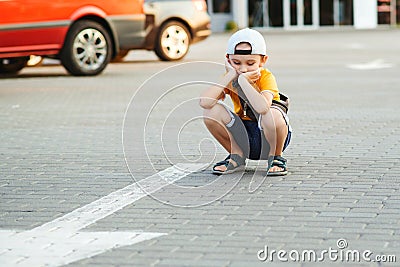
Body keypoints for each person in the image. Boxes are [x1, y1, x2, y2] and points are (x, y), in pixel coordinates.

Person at [199, 28, 291, 176]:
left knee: (271, 114)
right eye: (236, 62)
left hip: (269, 137)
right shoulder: (230, 77)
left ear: (263, 61)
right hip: (244, 137)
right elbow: (205, 102)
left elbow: (262, 107)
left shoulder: (266, 77)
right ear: (228, 60)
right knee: (210, 111)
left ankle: (275, 157)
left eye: (250, 63)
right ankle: (237, 156)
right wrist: (228, 75)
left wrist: (244, 82)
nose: (243, 69)